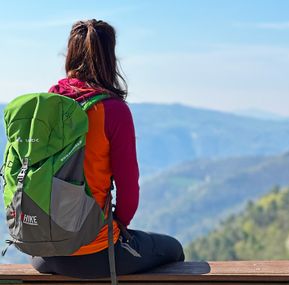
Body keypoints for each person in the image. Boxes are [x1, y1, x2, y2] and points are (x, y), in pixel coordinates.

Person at [31, 19, 184, 278]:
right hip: (96, 252)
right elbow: (128, 192)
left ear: (70, 54)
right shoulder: (112, 111)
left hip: (42, 252)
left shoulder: (49, 104)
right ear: (109, 58)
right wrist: (117, 225)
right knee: (173, 250)